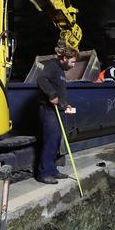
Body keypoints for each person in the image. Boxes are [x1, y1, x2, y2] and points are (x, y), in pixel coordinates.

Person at [35, 46, 78, 184]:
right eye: (72, 62)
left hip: (57, 110)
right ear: (64, 58)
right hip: (48, 111)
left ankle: (52, 170)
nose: (73, 65)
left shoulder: (60, 71)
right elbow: (41, 80)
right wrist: (51, 95)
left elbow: (59, 92)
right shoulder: (52, 66)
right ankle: (44, 173)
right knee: (50, 141)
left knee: (55, 141)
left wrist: (65, 105)